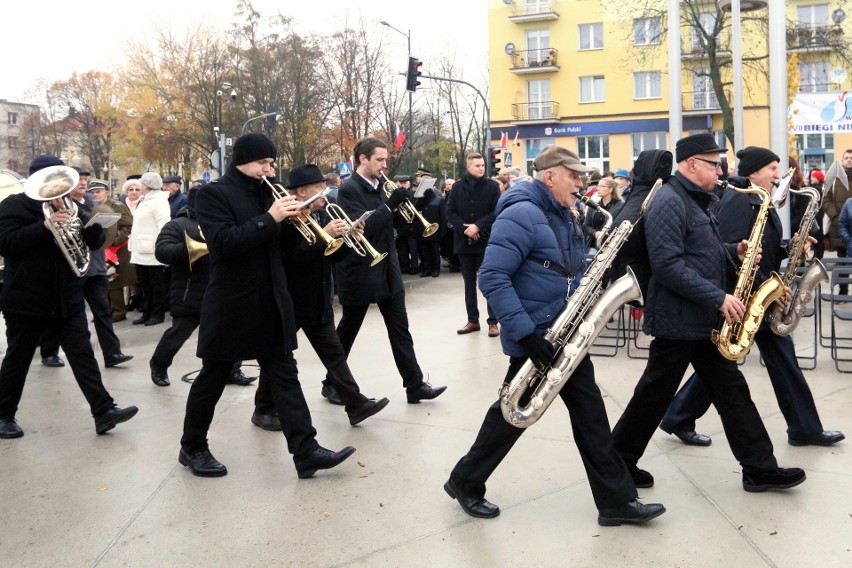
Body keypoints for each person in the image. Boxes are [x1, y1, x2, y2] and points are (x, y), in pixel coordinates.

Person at [445, 145, 665, 526]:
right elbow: (492, 276)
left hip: (563, 329)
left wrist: (591, 278)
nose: (581, 184)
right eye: (574, 176)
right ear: (550, 176)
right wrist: (527, 334)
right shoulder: (522, 213)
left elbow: (565, 269)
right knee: (514, 411)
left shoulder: (564, 212)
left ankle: (615, 501)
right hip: (540, 333)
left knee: (584, 415)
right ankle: (466, 479)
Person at [610, 133, 807, 493]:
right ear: (690, 164)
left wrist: (735, 250)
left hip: (699, 319)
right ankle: (617, 462)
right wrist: (719, 298)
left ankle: (760, 469)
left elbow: (702, 251)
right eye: (713, 163)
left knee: (733, 393)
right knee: (653, 395)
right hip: (679, 320)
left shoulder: (696, 199)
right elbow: (668, 265)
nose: (720, 170)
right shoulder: (670, 201)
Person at [179, 132, 355, 478]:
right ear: (243, 160)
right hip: (231, 302)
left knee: (285, 375)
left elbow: (289, 255)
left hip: (272, 299)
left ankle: (305, 450)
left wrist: (318, 234)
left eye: (271, 163)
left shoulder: (270, 194)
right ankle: (193, 446)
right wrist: (270, 218)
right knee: (212, 378)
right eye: (264, 162)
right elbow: (223, 243)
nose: (270, 170)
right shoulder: (213, 194)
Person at [659, 147, 844, 448]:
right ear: (754, 171)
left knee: (747, 361)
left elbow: (764, 249)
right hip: (746, 296)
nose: (777, 174)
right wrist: (768, 291)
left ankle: (803, 427)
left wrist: (790, 247)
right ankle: (803, 428)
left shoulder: (760, 198)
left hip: (760, 293)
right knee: (726, 363)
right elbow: (728, 251)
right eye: (772, 168)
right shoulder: (739, 200)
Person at [0, 154, 138, 439]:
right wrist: (44, 227)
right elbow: (6, 243)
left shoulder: (73, 207)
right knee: (18, 359)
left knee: (83, 355)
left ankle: (103, 411)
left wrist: (95, 233)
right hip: (26, 298)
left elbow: (94, 243)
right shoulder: (14, 205)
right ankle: (3, 415)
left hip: (67, 296)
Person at [253, 164, 390, 429]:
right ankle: (263, 408)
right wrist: (326, 235)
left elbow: (329, 256)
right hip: (291, 299)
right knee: (278, 356)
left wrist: (349, 237)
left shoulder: (315, 216)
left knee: (334, 354)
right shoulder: (287, 220)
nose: (325, 194)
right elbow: (291, 259)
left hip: (316, 298)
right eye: (319, 189)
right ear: (302, 192)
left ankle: (356, 404)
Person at [331, 137, 447, 404]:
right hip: (361, 267)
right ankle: (332, 383)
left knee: (400, 328)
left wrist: (417, 204)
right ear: (363, 159)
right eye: (379, 160)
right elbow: (361, 227)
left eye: (386, 160)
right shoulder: (348, 190)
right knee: (348, 330)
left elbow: (396, 224)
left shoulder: (383, 186)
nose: (384, 165)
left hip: (388, 266)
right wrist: (389, 204)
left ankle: (414, 385)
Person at [149, 187, 256, 388]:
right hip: (190, 292)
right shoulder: (177, 225)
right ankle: (159, 365)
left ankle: (233, 370)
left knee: (231, 333)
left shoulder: (223, 222)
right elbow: (162, 251)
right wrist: (190, 249)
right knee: (178, 333)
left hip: (223, 289)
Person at [75, 180, 134, 367]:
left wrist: (110, 239)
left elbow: (124, 226)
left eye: (85, 178)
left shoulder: (99, 205)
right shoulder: (62, 205)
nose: (83, 182)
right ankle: (50, 350)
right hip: (75, 267)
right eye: (80, 179)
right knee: (71, 313)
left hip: (96, 265)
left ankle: (112, 353)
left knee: (102, 312)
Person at [446, 153, 501, 337]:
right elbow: (450, 212)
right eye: (477, 165)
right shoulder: (457, 187)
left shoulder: (492, 186)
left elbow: (496, 212)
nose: (481, 168)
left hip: (486, 241)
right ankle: (473, 320)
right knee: (469, 284)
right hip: (464, 242)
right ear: (468, 167)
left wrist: (478, 226)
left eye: (483, 165)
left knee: (489, 282)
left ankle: (493, 322)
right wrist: (465, 229)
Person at [128, 172, 170, 326]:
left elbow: (163, 223)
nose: (140, 185)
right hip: (141, 249)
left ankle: (157, 314)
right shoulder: (144, 200)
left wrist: (161, 244)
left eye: (142, 183)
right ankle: (147, 312)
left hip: (152, 250)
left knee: (156, 284)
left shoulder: (159, 201)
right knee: (145, 283)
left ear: (147, 185)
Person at [91, 181, 135, 322]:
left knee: (114, 279)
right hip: (100, 248)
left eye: (98, 191)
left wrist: (113, 239)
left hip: (117, 249)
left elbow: (128, 226)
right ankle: (107, 310)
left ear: (106, 192)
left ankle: (118, 311)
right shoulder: (92, 207)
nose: (95, 194)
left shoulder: (117, 206)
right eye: (92, 192)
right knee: (103, 281)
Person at [823, 148, 852, 294]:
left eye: (851, 158)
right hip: (839, 227)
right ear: (842, 160)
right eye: (846, 157)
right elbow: (826, 199)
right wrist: (835, 215)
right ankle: (843, 291)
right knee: (842, 261)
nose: (849, 160)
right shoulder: (834, 180)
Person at [582, 177, 623, 253]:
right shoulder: (593, 206)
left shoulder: (621, 206)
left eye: (602, 186)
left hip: (613, 246)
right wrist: (595, 233)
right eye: (598, 186)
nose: (598, 188)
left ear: (610, 189)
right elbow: (585, 225)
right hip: (595, 245)